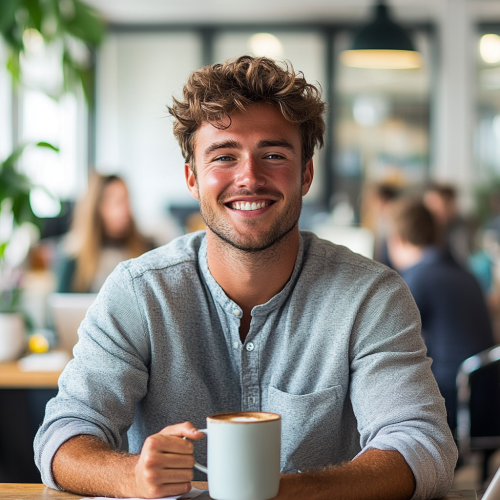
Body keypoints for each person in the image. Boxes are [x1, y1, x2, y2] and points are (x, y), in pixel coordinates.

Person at [35, 56, 457, 500]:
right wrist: (130, 475)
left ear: (306, 173)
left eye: (273, 155)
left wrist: (276, 493)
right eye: (224, 156)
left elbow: (422, 445)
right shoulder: (139, 292)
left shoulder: (369, 296)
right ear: (192, 179)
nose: (249, 177)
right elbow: (63, 435)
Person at [387, 197, 495, 433]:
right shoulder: (466, 274)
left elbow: (384, 338)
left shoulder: (417, 278)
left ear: (397, 239)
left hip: (452, 398)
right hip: (488, 396)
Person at [56, 173, 151, 293]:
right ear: (97, 208)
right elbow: (62, 305)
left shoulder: (147, 250)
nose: (126, 209)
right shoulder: (72, 257)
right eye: (117, 202)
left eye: (126, 200)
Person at [423, 183, 472, 268]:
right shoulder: (427, 228)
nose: (429, 209)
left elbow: (462, 260)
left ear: (450, 205)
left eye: (434, 204)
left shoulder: (459, 231)